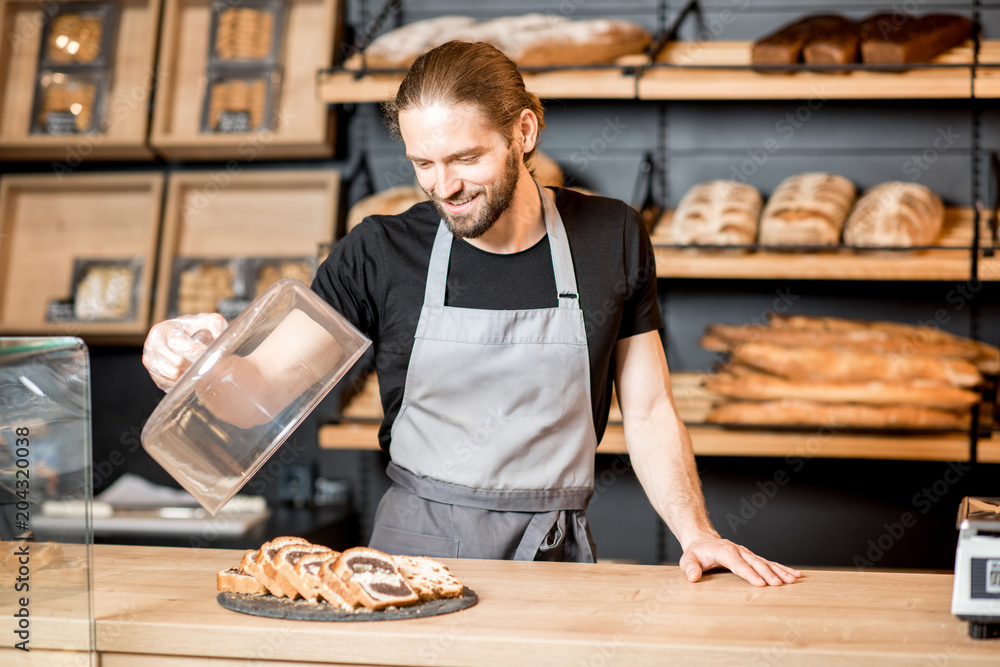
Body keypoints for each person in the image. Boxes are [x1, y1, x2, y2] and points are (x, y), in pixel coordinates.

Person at [143, 40, 800, 586]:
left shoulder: (610, 235)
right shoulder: (379, 250)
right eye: (422, 163)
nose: (444, 186)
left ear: (524, 132)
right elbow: (262, 391)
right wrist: (196, 360)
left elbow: (651, 408)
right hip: (409, 560)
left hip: (556, 564)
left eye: (465, 158)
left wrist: (698, 532)